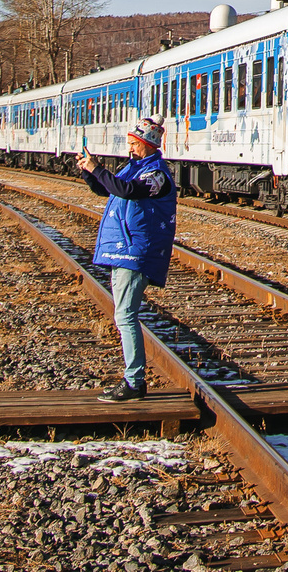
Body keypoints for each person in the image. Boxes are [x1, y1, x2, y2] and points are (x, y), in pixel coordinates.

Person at [73, 116, 176, 401]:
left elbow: (127, 190)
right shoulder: (137, 167)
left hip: (137, 251)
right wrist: (88, 172)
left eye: (134, 144)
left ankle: (134, 381)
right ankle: (134, 379)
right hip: (126, 250)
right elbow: (108, 188)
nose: (129, 149)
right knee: (124, 315)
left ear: (147, 145)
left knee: (125, 316)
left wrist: (98, 169)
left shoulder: (156, 175)